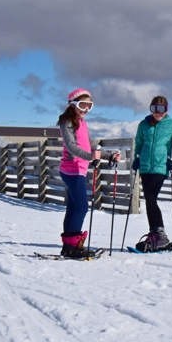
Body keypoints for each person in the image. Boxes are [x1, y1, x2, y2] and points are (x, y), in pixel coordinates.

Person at [57, 88, 119, 258]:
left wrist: (109, 155)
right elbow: (71, 146)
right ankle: (74, 246)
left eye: (89, 106)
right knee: (82, 207)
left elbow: (91, 144)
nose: (85, 110)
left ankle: (68, 247)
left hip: (79, 169)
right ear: (72, 105)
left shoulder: (82, 123)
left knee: (73, 207)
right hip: (72, 170)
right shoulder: (67, 122)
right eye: (82, 105)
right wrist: (90, 157)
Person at [131, 96, 172, 252]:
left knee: (151, 198)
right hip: (145, 168)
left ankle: (160, 234)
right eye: (154, 109)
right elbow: (139, 144)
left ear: (166, 109)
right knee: (149, 201)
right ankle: (155, 233)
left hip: (161, 167)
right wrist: (136, 160)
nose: (158, 113)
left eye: (161, 109)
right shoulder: (144, 125)